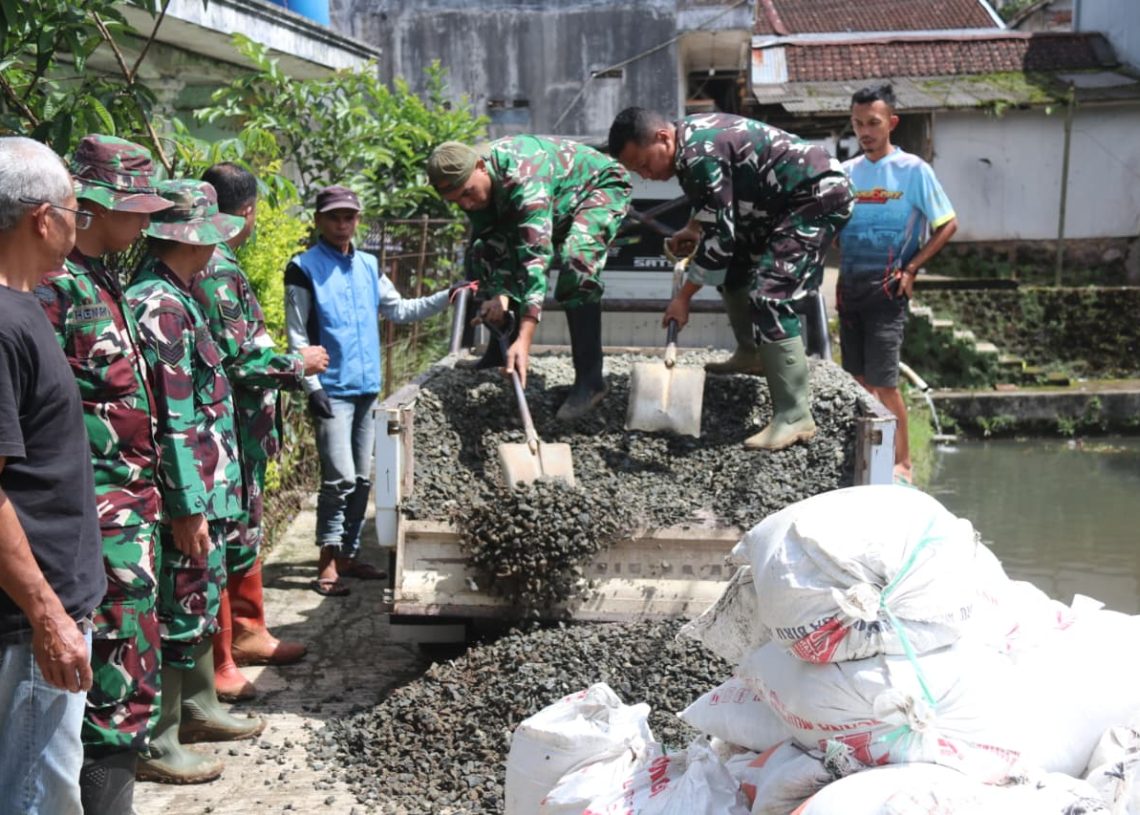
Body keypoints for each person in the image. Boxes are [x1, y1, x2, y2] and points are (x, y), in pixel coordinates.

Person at [36, 134, 172, 813]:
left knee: (129, 679)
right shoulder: (51, 289)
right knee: (110, 688)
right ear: (88, 205)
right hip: (91, 524)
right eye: (134, 207)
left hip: (129, 517)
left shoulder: (106, 277)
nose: (146, 221)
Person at [608, 108, 854, 450]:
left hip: (813, 195)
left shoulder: (697, 154)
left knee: (771, 293)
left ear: (662, 137)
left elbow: (720, 240)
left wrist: (683, 298)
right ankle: (751, 352)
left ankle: (796, 415)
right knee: (737, 269)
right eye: (638, 172)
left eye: (645, 164)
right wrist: (692, 228)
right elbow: (715, 202)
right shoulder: (688, 145)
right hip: (776, 201)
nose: (647, 175)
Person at [127, 180, 265, 784]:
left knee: (199, 598)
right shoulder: (158, 306)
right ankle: (159, 739)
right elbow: (173, 417)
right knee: (179, 605)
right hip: (187, 491)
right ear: (192, 241)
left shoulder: (179, 297)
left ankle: (198, 707)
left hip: (210, 482)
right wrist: (187, 506)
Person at [191, 163, 328, 701]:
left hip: (242, 430)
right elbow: (240, 357)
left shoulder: (217, 264)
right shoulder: (218, 269)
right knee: (224, 537)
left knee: (245, 530)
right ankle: (223, 659)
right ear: (246, 213)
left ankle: (248, 633)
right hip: (226, 430)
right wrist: (299, 363)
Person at [285, 185, 462, 597]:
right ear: (319, 220)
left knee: (362, 479)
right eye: (333, 217)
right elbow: (297, 336)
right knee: (339, 479)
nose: (342, 224)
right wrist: (311, 386)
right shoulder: (302, 268)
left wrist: (447, 296)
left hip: (366, 388)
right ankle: (326, 562)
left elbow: (398, 309)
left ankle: (347, 554)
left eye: (349, 216)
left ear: (357, 220)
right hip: (331, 390)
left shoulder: (367, 264)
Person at [0, 136, 104, 815]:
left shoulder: (26, 305)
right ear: (43, 218)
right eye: (75, 209)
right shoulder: (4, 325)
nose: (78, 223)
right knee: (37, 793)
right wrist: (47, 613)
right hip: (28, 622)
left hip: (44, 610)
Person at [426, 137, 631, 419]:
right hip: (555, 200)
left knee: (576, 259)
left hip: (596, 187)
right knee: (479, 252)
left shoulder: (523, 177)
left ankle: (590, 380)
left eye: (468, 193)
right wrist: (498, 295)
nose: (467, 204)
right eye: (457, 200)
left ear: (480, 167)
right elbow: (493, 240)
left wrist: (525, 339)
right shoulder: (471, 183)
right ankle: (500, 352)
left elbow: (534, 259)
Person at [839, 83, 958, 483]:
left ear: (891, 123)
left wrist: (911, 269)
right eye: (858, 124)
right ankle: (870, 452)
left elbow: (947, 223)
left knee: (885, 384)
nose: (865, 131)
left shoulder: (913, 171)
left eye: (873, 123)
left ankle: (902, 463)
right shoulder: (846, 173)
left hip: (888, 293)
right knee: (856, 382)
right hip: (850, 291)